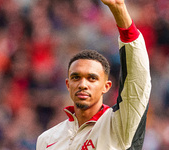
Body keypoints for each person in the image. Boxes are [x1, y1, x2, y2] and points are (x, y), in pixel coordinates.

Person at [36, 0, 151, 149]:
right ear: (67, 84)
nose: (83, 84)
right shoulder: (46, 140)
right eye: (76, 77)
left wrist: (119, 10)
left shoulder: (118, 124)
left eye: (92, 78)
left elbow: (137, 80)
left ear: (106, 86)